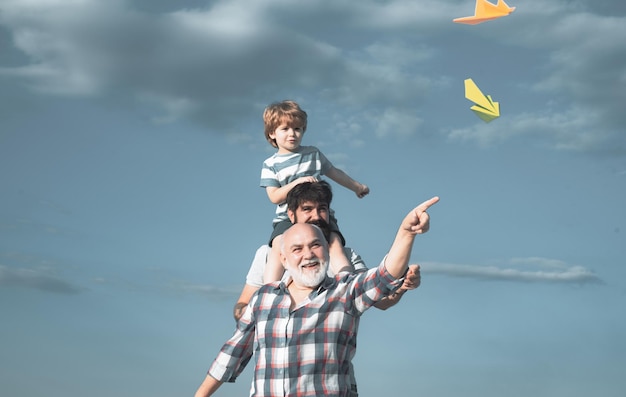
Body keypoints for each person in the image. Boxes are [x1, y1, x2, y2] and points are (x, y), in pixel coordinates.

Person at [194, 195, 439, 397]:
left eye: (315, 245)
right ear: (283, 258)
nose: (308, 254)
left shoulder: (344, 292)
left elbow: (384, 277)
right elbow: (232, 353)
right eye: (297, 249)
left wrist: (406, 233)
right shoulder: (264, 298)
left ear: (328, 250)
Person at [234, 181, 420, 321]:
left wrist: (402, 288)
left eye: (321, 209)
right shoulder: (267, 255)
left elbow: (380, 300)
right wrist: (251, 316)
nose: (316, 216)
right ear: (291, 215)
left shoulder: (348, 257)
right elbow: (242, 305)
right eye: (307, 209)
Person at [260, 100, 369, 285]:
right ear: (272, 133)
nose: (292, 134)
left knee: (334, 242)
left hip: (319, 215)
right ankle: (268, 288)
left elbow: (334, 172)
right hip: (286, 218)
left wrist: (356, 187)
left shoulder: (312, 154)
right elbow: (274, 196)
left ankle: (347, 283)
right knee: (278, 246)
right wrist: (297, 182)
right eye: (285, 129)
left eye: (297, 129)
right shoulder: (270, 164)